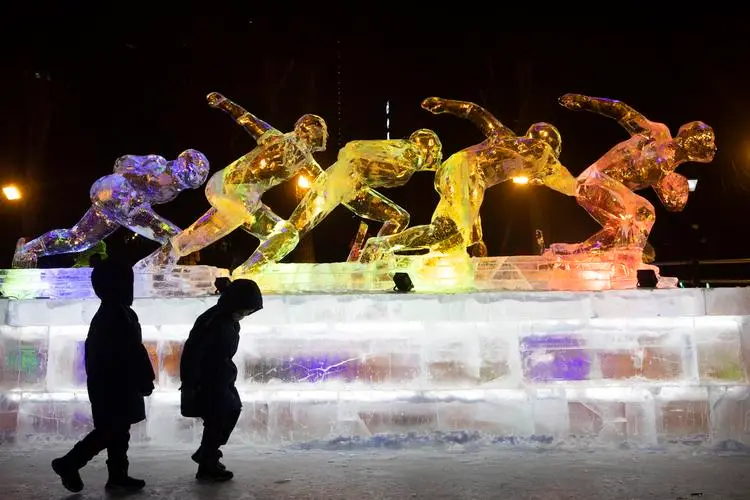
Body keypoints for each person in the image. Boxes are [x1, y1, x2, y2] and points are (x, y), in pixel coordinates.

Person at [358, 97, 577, 262]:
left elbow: (475, 111)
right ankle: (382, 245)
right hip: (466, 172)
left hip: (452, 168)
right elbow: (569, 185)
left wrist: (444, 104)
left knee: (452, 240)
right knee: (447, 231)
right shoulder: (541, 151)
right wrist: (584, 191)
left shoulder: (504, 136)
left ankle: (441, 259)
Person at [135, 92, 328, 273]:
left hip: (247, 203)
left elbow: (326, 185)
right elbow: (246, 118)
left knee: (287, 235)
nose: (322, 137)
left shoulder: (306, 163)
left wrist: (347, 182)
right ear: (305, 130)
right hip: (228, 188)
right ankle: (156, 264)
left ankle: (247, 273)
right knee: (203, 233)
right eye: (318, 133)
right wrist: (224, 103)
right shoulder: (274, 138)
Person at [547, 93, 716, 257]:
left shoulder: (665, 173)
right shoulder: (657, 134)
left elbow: (674, 204)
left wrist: (678, 193)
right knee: (643, 212)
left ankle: (572, 255)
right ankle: (630, 254)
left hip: (604, 191)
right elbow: (622, 111)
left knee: (618, 229)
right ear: (691, 139)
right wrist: (585, 101)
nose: (713, 147)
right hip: (593, 182)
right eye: (709, 140)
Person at [51, 259, 155, 493]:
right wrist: (144, 378)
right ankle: (70, 462)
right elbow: (131, 352)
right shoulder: (117, 315)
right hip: (116, 385)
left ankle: (118, 475)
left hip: (109, 384)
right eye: (128, 283)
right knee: (111, 430)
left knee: (117, 431)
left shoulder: (114, 313)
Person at [12, 149, 209, 269]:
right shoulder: (156, 163)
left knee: (78, 239)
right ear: (177, 166)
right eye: (178, 179)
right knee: (151, 223)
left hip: (119, 210)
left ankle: (29, 249)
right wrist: (146, 176)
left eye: (183, 185)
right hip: (114, 191)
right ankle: (180, 242)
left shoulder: (172, 192)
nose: (177, 185)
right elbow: (122, 163)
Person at [179, 279, 263, 481]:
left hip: (222, 378)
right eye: (244, 311)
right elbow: (192, 354)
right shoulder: (212, 321)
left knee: (228, 413)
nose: (244, 316)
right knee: (218, 418)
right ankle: (208, 461)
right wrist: (190, 384)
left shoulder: (228, 320)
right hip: (208, 380)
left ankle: (207, 454)